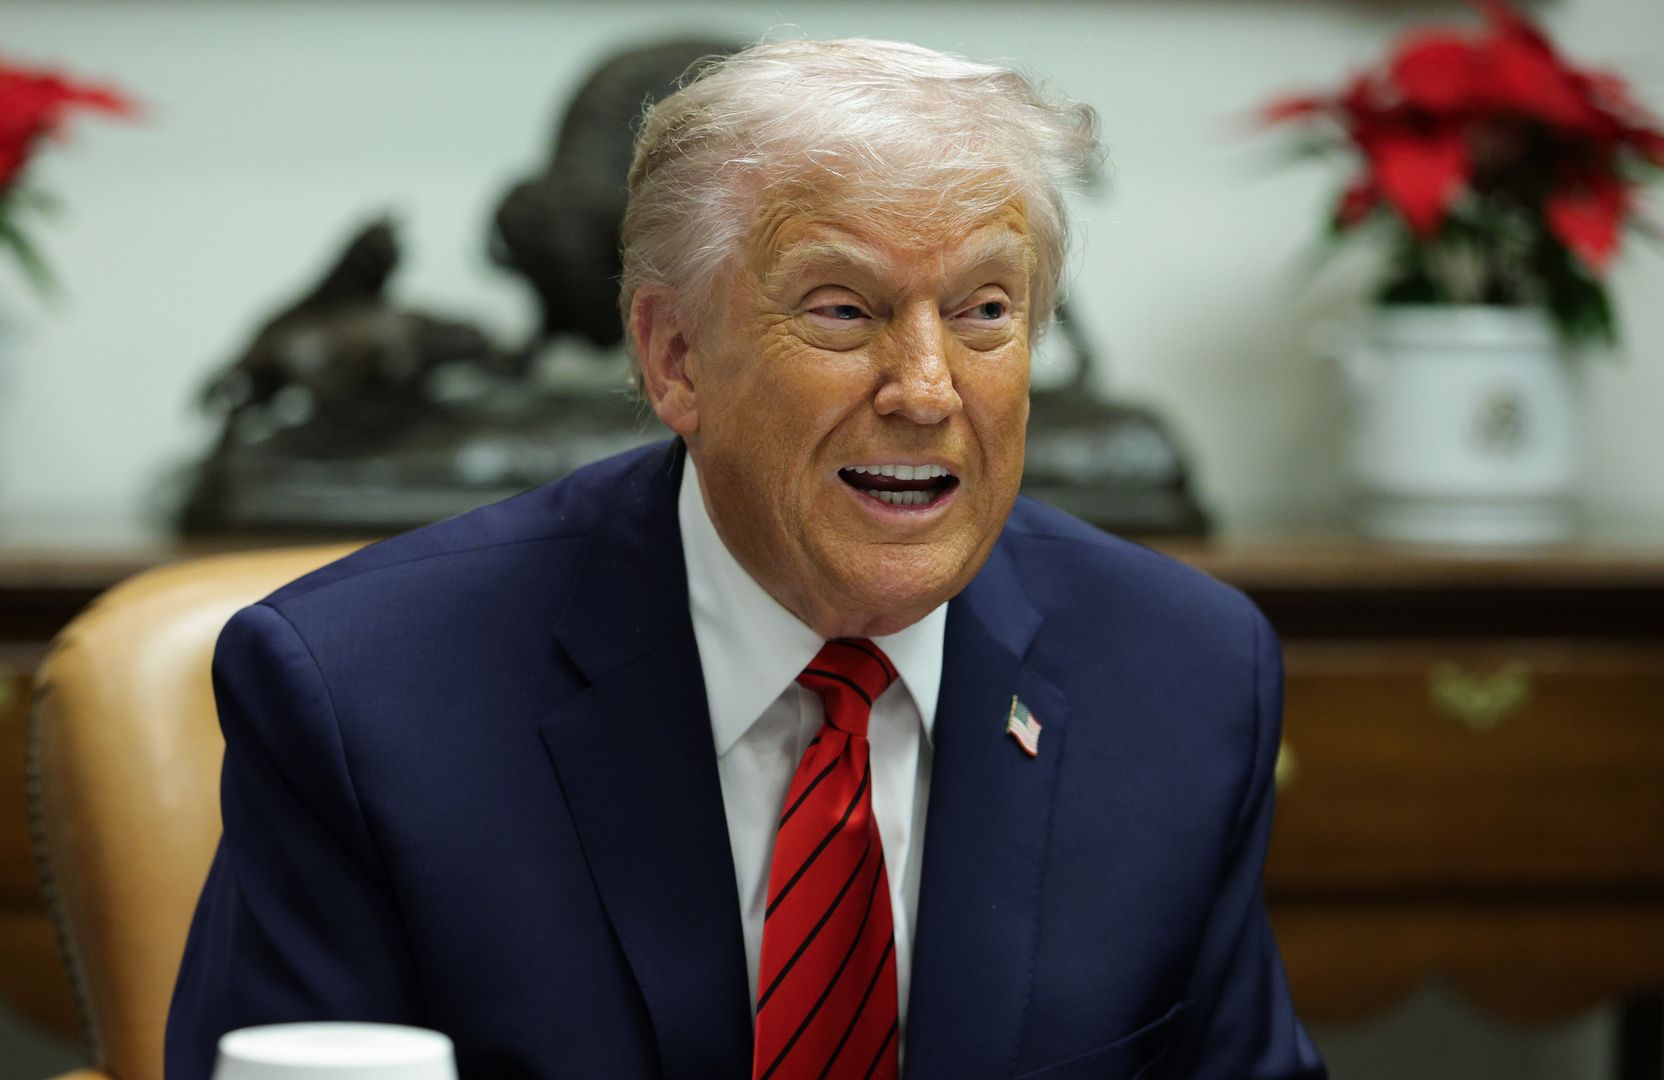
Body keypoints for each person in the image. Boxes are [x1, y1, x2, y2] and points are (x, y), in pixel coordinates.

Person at [166, 38, 1326, 1080]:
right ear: (675, 358)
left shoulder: (1186, 680)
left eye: (984, 312)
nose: (927, 390)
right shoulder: (365, 698)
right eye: (842, 311)